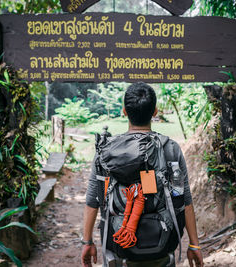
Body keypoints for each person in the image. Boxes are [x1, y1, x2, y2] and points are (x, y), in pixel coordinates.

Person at [81, 82, 204, 267]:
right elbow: (183, 199)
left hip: (119, 246)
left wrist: (87, 242)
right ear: (155, 112)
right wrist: (194, 244)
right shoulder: (170, 149)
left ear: (124, 111)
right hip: (162, 245)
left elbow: (93, 201)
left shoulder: (106, 151)